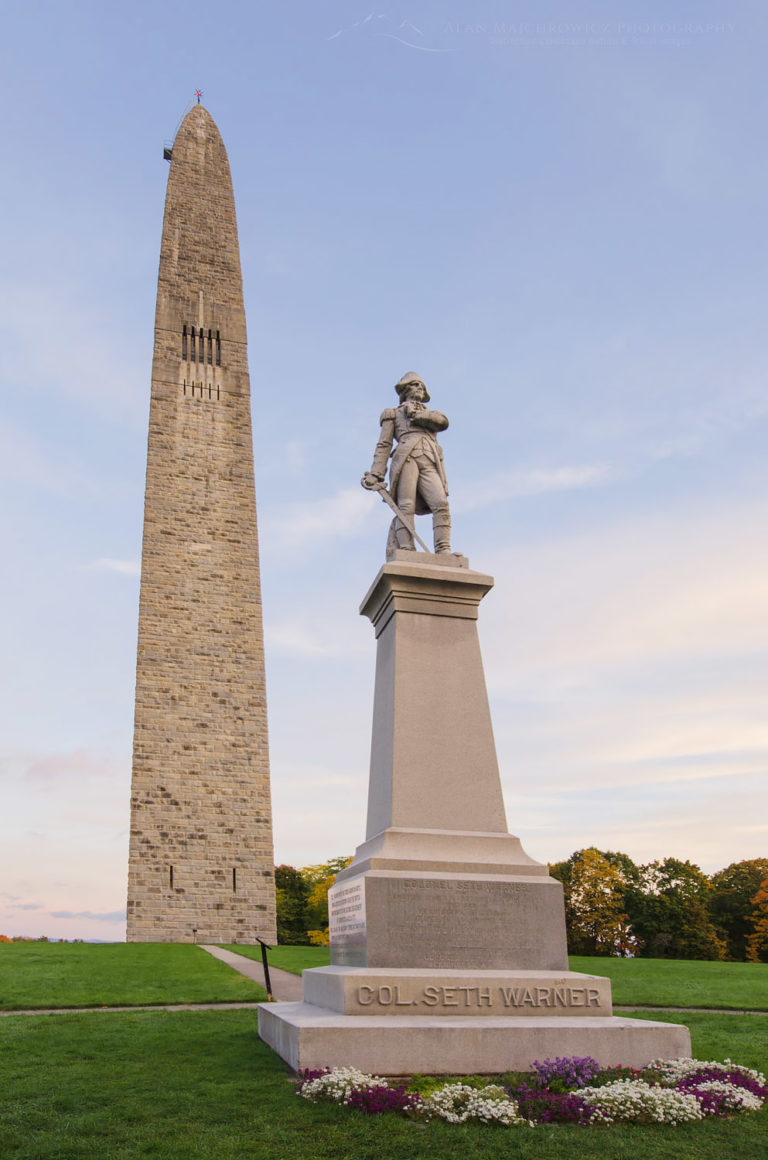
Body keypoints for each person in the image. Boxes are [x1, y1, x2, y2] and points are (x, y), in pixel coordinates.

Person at [362, 372, 451, 554]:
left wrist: (419, 417)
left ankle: (443, 550)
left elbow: (443, 422)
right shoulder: (392, 414)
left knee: (440, 503)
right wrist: (375, 473)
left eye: (422, 386)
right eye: (415, 385)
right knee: (406, 506)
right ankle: (407, 548)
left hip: (429, 460)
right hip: (405, 459)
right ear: (405, 389)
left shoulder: (431, 414)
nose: (420, 389)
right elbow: (384, 444)